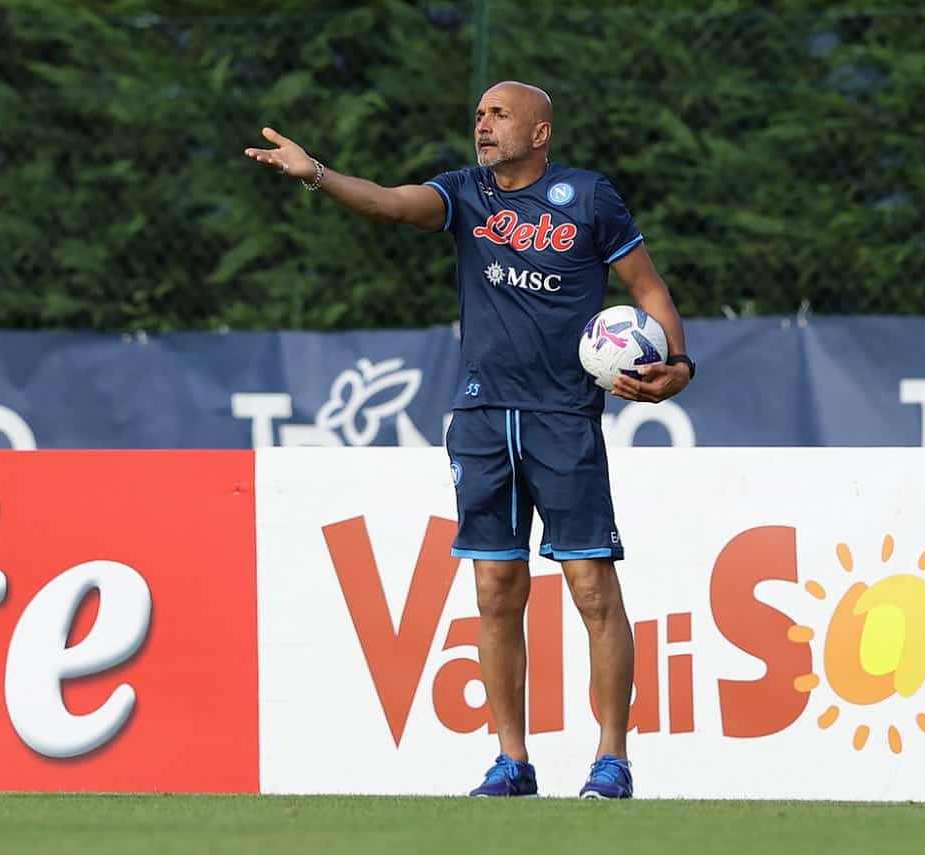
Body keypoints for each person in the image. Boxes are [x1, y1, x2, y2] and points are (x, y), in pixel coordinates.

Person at [245, 81, 695, 799]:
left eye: (499, 114)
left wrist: (679, 364)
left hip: (562, 417)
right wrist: (317, 174)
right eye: (479, 114)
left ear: (540, 132)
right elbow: (388, 203)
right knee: (495, 589)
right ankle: (512, 761)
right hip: (482, 417)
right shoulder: (464, 193)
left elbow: (647, 288)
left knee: (591, 588)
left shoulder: (589, 197)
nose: (482, 124)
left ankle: (612, 760)